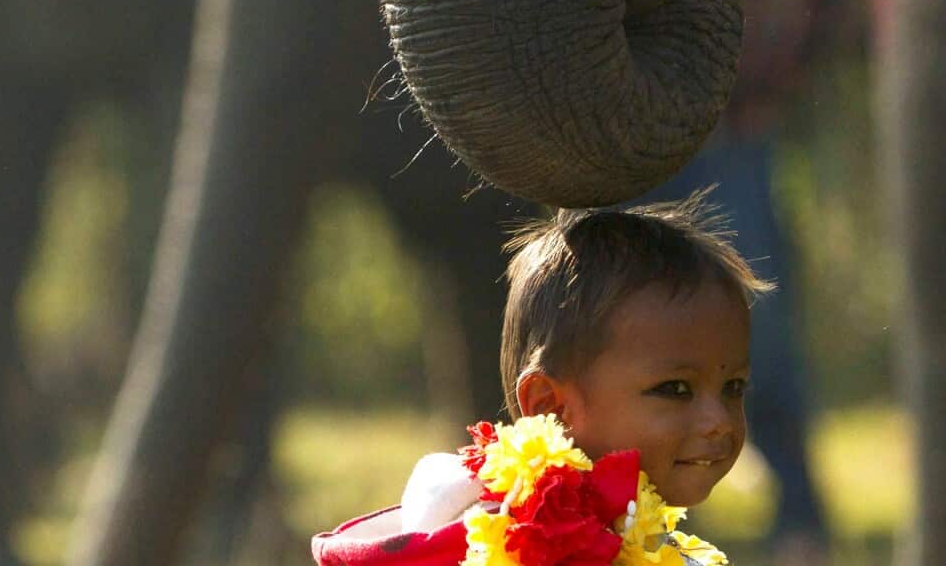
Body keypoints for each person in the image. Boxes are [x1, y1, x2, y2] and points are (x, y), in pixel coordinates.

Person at [312, 194, 772, 565]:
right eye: (676, 389)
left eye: (733, 387)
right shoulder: (511, 543)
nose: (719, 421)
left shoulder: (628, 535)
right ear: (550, 407)